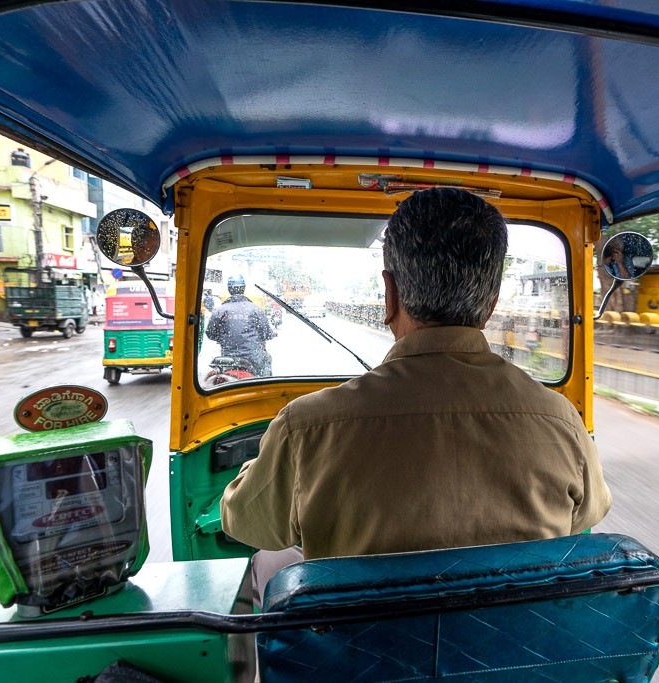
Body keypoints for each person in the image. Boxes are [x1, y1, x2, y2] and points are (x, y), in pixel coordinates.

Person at [220, 187, 611, 607]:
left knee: (269, 560)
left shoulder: (308, 426)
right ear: (492, 303)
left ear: (390, 294)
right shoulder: (561, 419)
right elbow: (587, 515)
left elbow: (245, 522)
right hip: (514, 659)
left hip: (360, 658)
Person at [205, 275, 276, 376]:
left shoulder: (220, 310)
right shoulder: (255, 309)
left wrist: (222, 338)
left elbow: (210, 334)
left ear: (229, 289)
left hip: (228, 357)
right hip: (253, 357)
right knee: (267, 360)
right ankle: (266, 389)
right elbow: (266, 334)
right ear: (244, 288)